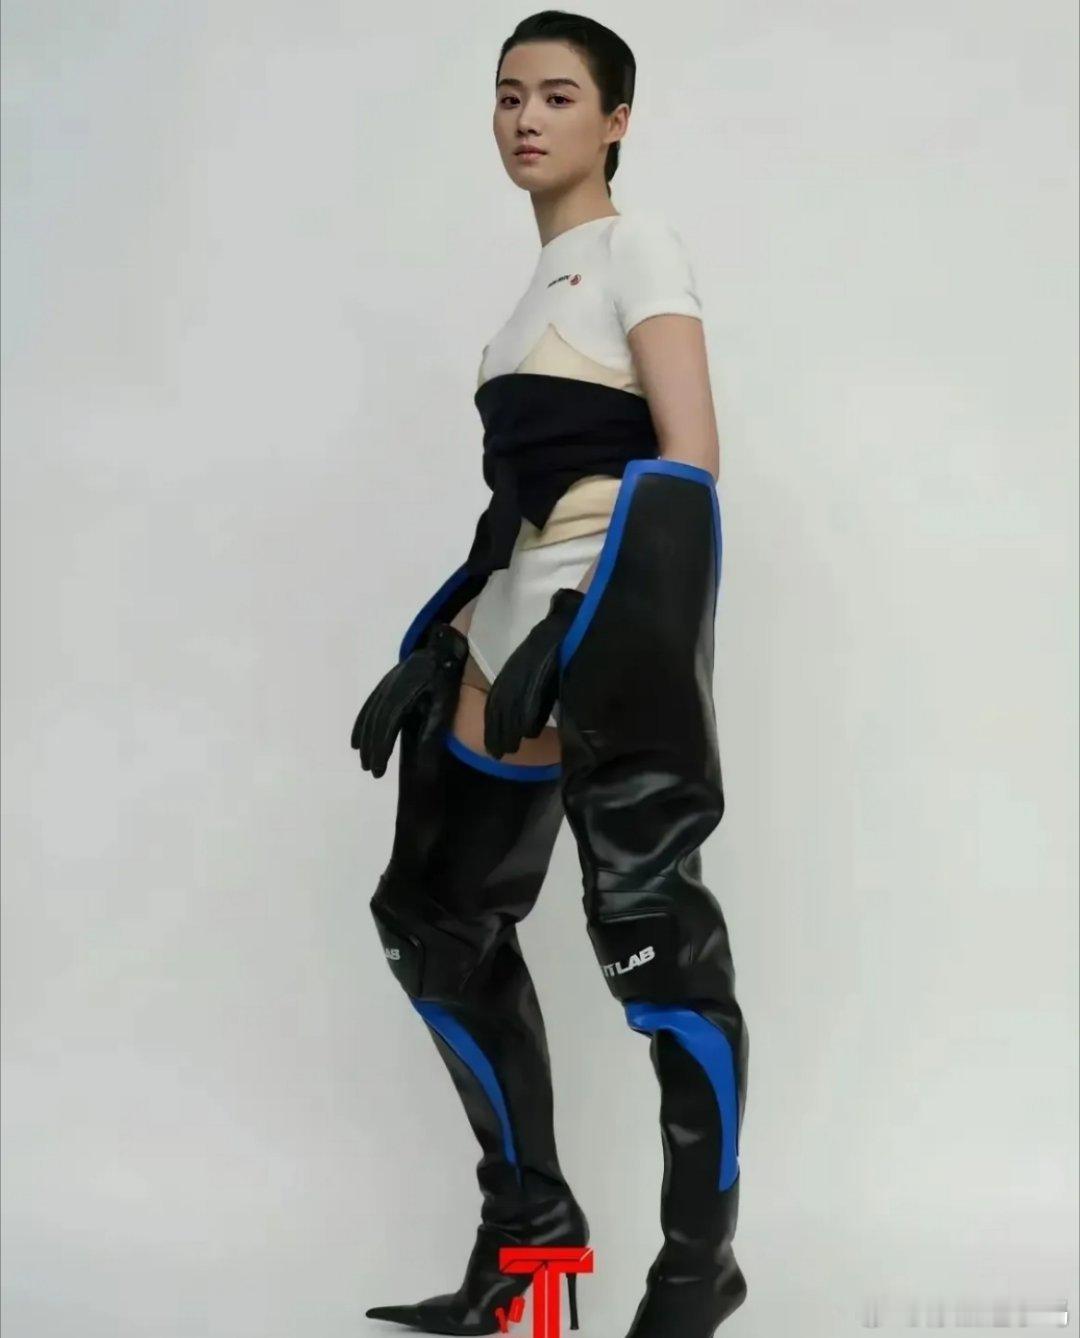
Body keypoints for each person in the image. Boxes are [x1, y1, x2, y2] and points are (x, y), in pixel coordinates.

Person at [351, 12, 750, 1337]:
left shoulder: (640, 248)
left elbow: (685, 465)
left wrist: (586, 628)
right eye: (509, 94)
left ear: (616, 122)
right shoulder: (528, 295)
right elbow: (520, 508)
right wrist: (447, 631)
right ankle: (528, 1242)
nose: (527, 117)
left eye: (561, 96)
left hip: (608, 634)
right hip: (512, 633)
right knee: (435, 923)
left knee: (657, 953)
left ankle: (695, 1274)